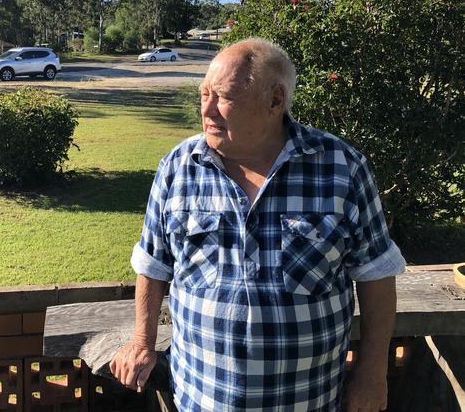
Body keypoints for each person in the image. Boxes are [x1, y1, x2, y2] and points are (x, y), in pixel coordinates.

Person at [109, 38, 406, 411]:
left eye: (224, 96)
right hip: (203, 397)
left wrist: (372, 372)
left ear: (275, 101)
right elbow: (153, 264)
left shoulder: (341, 167)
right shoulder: (179, 167)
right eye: (203, 94)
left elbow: (376, 275)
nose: (208, 109)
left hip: (307, 399)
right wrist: (141, 341)